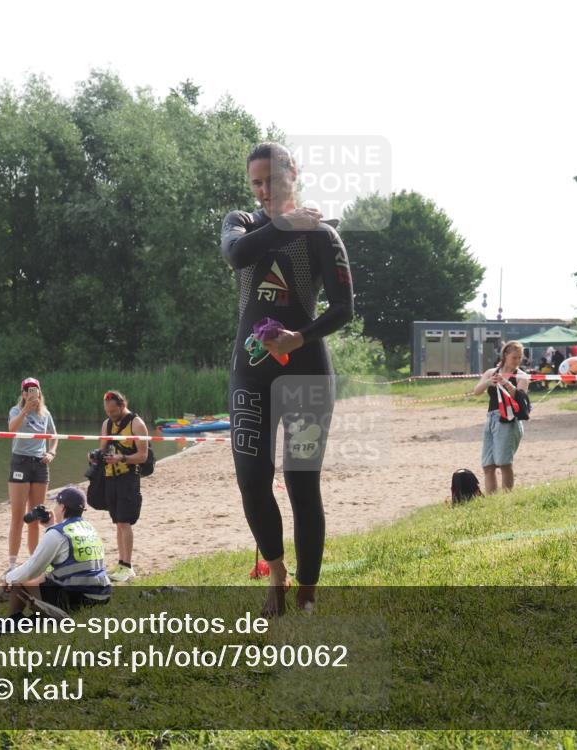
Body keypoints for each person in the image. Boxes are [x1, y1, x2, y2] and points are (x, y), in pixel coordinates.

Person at [220, 142, 354, 617]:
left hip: (306, 372)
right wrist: (285, 222)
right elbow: (237, 257)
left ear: (293, 174)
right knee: (251, 480)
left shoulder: (321, 235)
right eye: (256, 183)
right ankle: (276, 576)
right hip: (249, 374)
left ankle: (309, 591)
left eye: (272, 182)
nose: (263, 192)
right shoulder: (243, 223)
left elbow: (343, 308)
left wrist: (299, 336)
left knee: (302, 483)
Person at [1, 486, 111, 622]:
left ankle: (12, 619)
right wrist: (50, 526)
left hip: (79, 599)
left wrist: (8, 578)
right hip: (102, 596)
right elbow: (66, 557)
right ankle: (13, 619)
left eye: (57, 504)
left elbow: (31, 569)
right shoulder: (89, 528)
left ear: (63, 507)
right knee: (40, 576)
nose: (55, 508)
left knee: (20, 578)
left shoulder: (57, 534)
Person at [89, 390, 149, 583]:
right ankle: (121, 563)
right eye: (107, 411)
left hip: (128, 477)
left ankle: (128, 566)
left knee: (125, 522)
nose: (110, 415)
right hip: (109, 477)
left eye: (114, 411)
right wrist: (95, 456)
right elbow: (102, 448)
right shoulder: (107, 424)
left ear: (122, 405)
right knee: (117, 522)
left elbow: (143, 456)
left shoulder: (137, 424)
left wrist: (122, 457)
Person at [7, 377, 59, 572]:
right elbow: (11, 429)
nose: (31, 394)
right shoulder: (16, 410)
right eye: (27, 390)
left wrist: (52, 452)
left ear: (40, 393)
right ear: (23, 394)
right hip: (20, 461)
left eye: (34, 390)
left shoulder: (45, 413)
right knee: (17, 516)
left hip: (40, 464)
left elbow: (55, 436)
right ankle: (12, 564)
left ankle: (34, 563)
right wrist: (25, 410)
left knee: (36, 516)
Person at [472, 340, 529, 494]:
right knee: (488, 465)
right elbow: (476, 391)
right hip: (491, 418)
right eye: (514, 357)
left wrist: (508, 385)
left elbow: (521, 399)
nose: (517, 361)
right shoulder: (491, 372)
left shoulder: (522, 376)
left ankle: (506, 497)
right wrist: (489, 382)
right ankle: (492, 498)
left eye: (519, 358)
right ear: (505, 355)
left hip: (509, 421)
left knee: (504, 463)